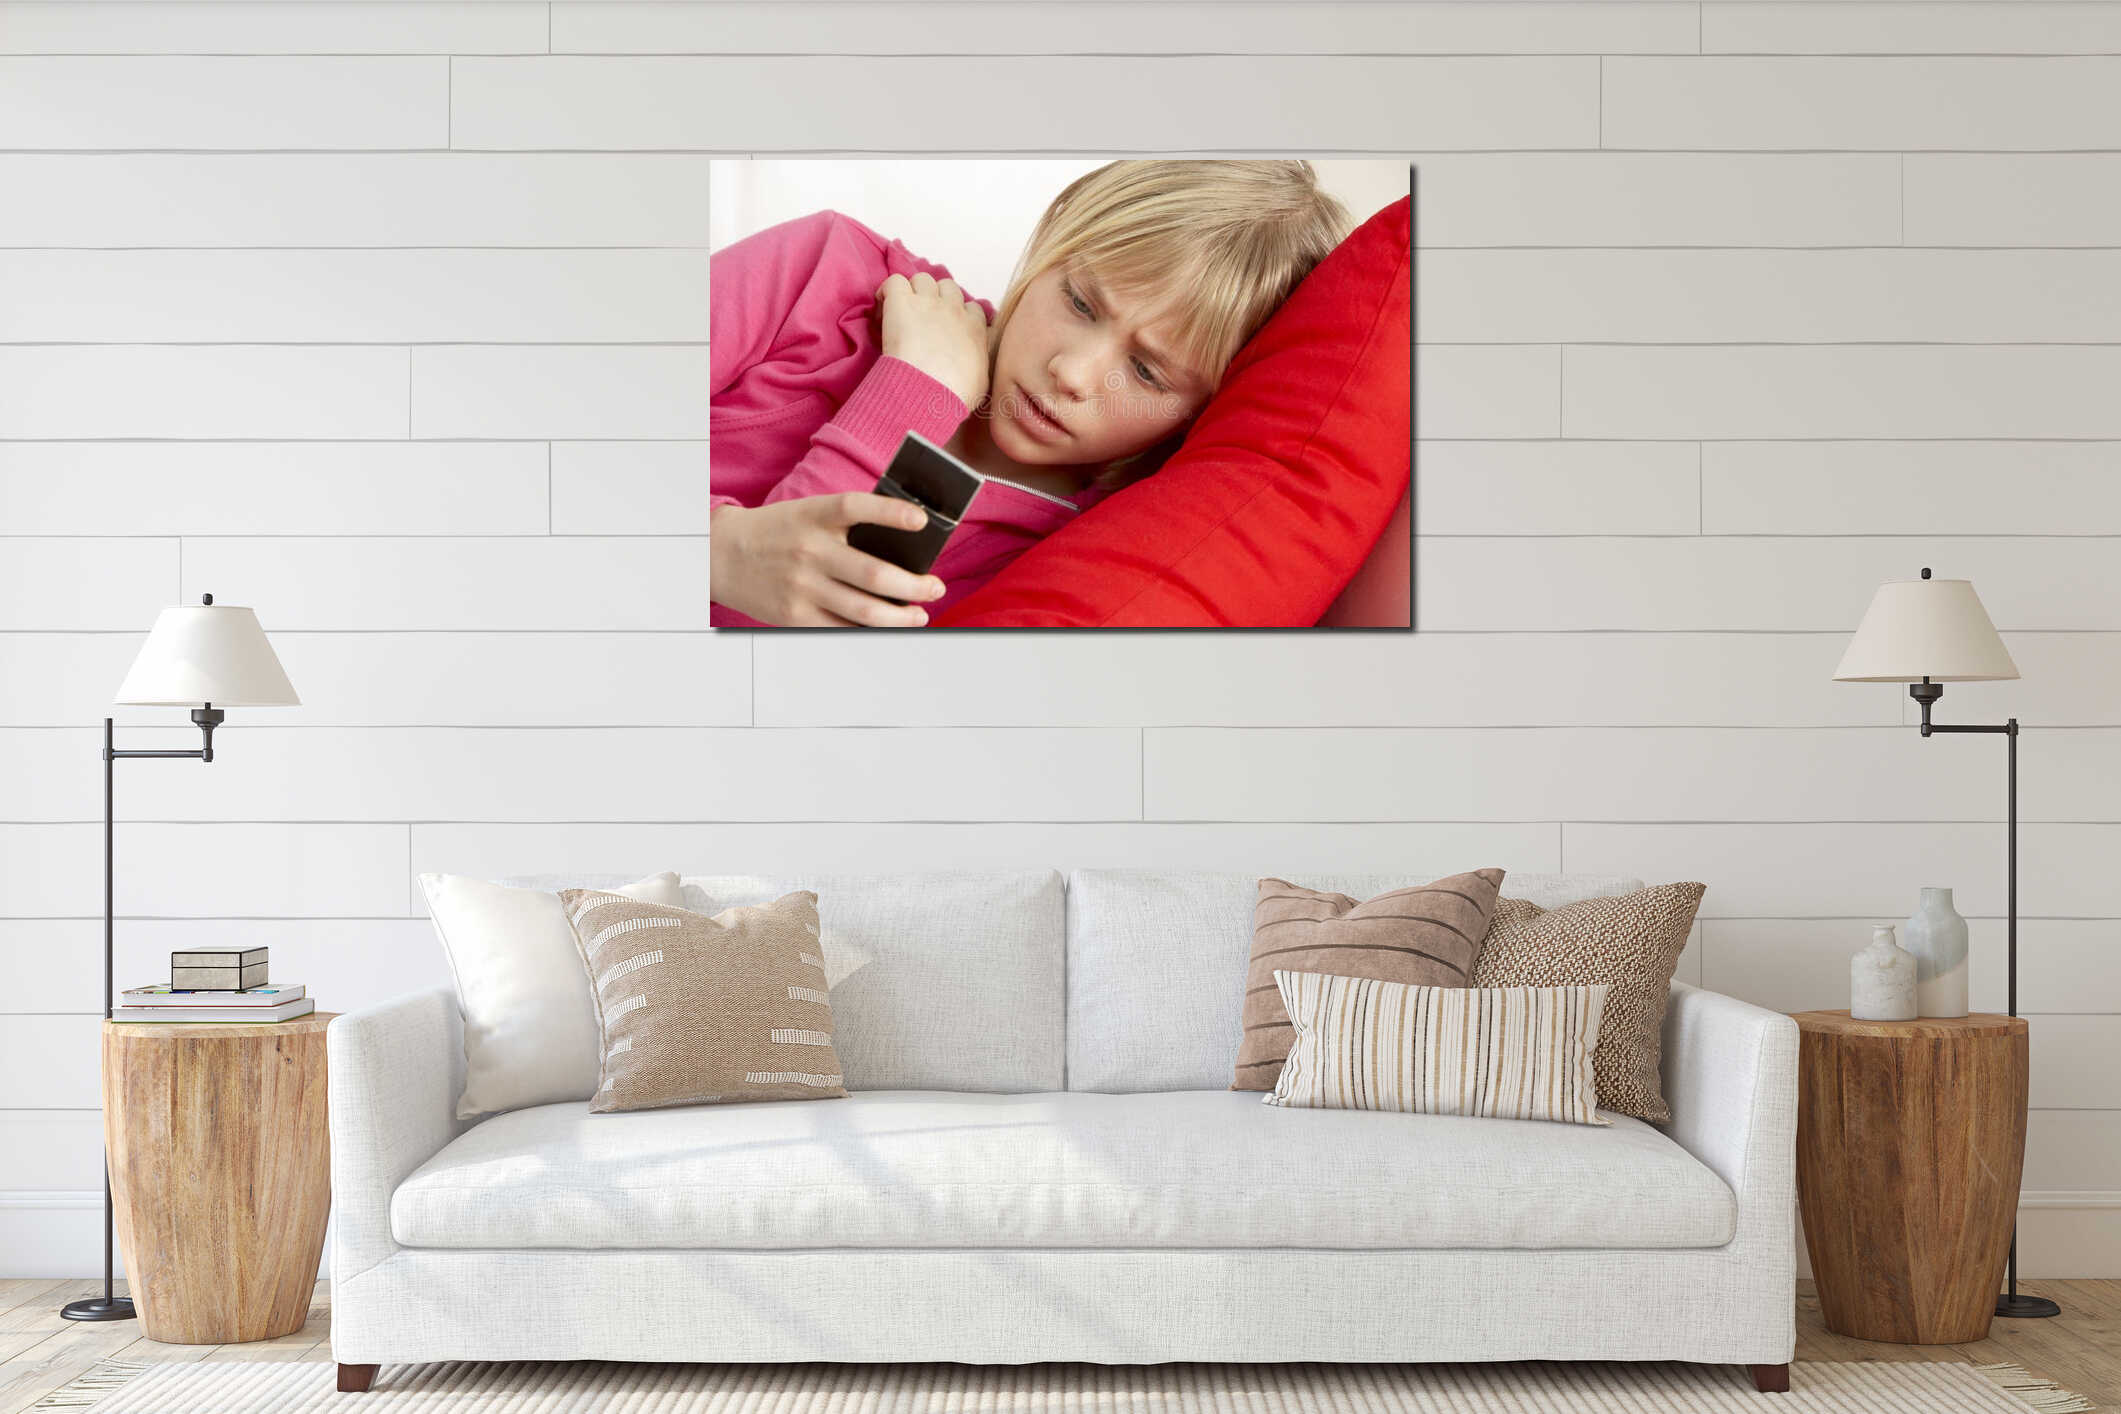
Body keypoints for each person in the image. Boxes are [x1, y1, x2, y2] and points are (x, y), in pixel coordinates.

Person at [708, 160, 1353, 628]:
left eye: (1149, 372)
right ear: (1054, 241)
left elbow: (771, 645)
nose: (1072, 373)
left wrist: (915, 393)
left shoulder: (1066, 566)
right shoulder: (826, 270)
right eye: (1079, 301)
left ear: (1200, 414)